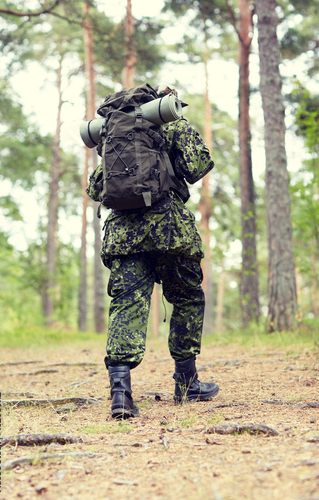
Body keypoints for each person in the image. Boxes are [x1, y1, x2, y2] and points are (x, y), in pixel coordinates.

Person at [89, 84, 219, 418]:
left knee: (126, 306)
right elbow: (199, 167)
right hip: (170, 229)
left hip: (122, 234)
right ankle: (187, 383)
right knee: (187, 298)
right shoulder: (168, 124)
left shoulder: (114, 131)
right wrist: (180, 126)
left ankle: (121, 394)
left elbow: (94, 188)